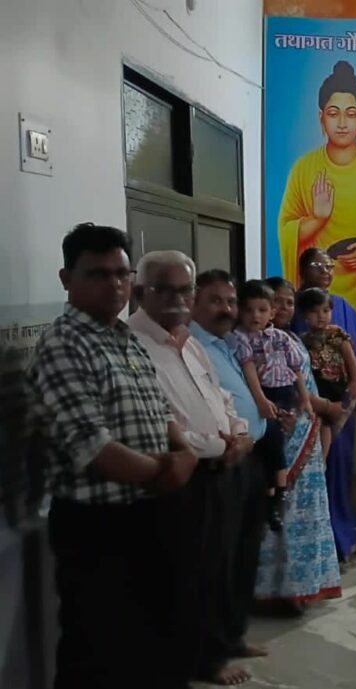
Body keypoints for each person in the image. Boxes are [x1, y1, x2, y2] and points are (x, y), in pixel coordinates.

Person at [29, 223, 197, 689]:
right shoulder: (63, 346)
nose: (115, 285)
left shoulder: (124, 338)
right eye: (99, 274)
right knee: (101, 651)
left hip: (151, 512)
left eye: (122, 274)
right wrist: (168, 470)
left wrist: (183, 451)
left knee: (158, 640)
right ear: (67, 279)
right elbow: (93, 447)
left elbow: (159, 410)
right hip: (98, 525)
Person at [128, 252, 255, 686]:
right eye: (164, 289)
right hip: (181, 476)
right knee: (185, 575)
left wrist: (237, 433)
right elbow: (156, 422)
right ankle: (194, 662)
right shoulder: (132, 345)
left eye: (184, 289)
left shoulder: (189, 341)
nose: (177, 299)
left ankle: (214, 651)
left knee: (217, 569)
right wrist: (219, 444)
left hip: (220, 469)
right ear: (140, 292)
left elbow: (219, 397)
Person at [277, 59, 356, 334]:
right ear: (321, 118)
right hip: (316, 294)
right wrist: (317, 220)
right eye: (333, 113)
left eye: (351, 114)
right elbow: (286, 230)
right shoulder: (304, 169)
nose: (342, 123)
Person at [189, 269, 278, 668]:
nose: (225, 309)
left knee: (245, 553)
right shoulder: (192, 345)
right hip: (218, 463)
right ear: (194, 302)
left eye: (230, 301)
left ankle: (234, 635)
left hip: (250, 457)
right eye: (215, 300)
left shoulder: (228, 343)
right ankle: (211, 651)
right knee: (218, 561)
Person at [254, 279, 345, 615]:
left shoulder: (292, 339)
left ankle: (303, 587)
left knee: (306, 516)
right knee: (282, 514)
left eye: (289, 302)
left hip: (307, 434)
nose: (284, 308)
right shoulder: (256, 343)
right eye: (277, 302)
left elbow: (304, 386)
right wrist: (327, 407)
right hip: (281, 434)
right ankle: (276, 590)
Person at [289, 250, 356, 560]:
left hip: (342, 404)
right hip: (307, 406)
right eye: (317, 265)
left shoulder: (343, 309)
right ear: (302, 269)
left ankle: (342, 538)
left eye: (329, 266)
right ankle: (313, 544)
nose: (325, 270)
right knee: (311, 472)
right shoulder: (292, 307)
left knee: (339, 470)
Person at [235, 279, 312, 531]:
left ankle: (278, 493)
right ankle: (275, 493)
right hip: (264, 393)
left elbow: (296, 369)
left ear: (271, 312)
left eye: (262, 310)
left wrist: (304, 399)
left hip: (285, 393)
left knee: (278, 440)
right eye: (249, 310)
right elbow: (249, 370)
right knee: (271, 442)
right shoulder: (240, 338)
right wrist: (260, 399)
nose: (255, 316)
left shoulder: (281, 338)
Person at [295, 286, 356, 445]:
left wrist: (355, 380)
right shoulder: (302, 340)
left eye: (325, 311)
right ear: (304, 314)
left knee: (332, 427)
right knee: (321, 425)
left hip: (338, 386)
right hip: (318, 390)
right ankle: (322, 457)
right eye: (314, 312)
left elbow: (351, 359)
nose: (321, 316)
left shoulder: (336, 333)